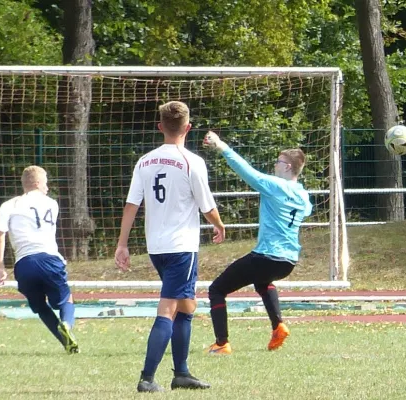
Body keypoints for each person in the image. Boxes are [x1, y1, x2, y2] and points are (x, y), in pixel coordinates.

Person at [115, 101, 226, 393]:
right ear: (188, 127)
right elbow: (207, 206)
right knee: (168, 309)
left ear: (161, 126)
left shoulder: (145, 161)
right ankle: (147, 378)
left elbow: (131, 205)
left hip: (156, 247)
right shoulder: (192, 161)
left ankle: (182, 374)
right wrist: (219, 224)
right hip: (182, 247)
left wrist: (122, 244)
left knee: (187, 305)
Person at [203, 131, 312, 354]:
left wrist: (222, 146)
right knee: (262, 283)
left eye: (279, 161)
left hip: (267, 256)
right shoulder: (303, 196)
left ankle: (222, 344)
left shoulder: (275, 186)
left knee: (216, 290)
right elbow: (307, 211)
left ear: (288, 167)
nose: (275, 164)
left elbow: (248, 173)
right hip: (288, 261)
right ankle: (278, 326)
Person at [0, 166, 79, 354]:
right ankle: (66, 324)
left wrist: (0, 266)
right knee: (66, 300)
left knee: (40, 306)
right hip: (49, 258)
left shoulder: (10, 205)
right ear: (38, 183)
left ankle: (67, 345)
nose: (48, 186)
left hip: (23, 264)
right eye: (46, 182)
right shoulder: (52, 204)